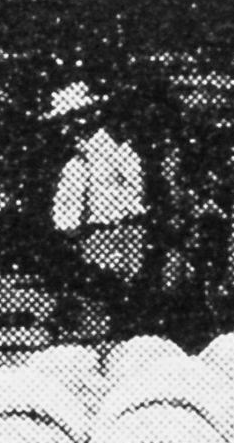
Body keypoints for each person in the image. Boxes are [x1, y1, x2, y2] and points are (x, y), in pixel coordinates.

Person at [45, 83, 157, 324]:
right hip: (92, 234)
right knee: (97, 292)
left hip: (109, 231)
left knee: (111, 290)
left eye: (69, 120)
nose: (65, 129)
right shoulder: (78, 160)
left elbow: (131, 197)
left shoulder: (116, 153)